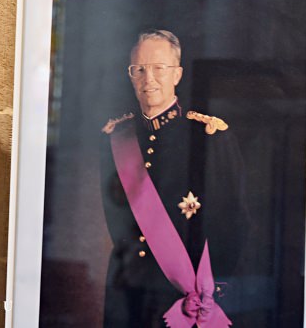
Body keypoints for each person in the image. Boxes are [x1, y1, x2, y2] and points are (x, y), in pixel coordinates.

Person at [99, 29, 249, 327]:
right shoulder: (117, 138)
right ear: (130, 75)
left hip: (184, 292)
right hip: (127, 290)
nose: (148, 78)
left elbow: (232, 219)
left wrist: (212, 288)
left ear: (177, 75)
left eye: (159, 68)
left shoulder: (208, 136)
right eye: (139, 69)